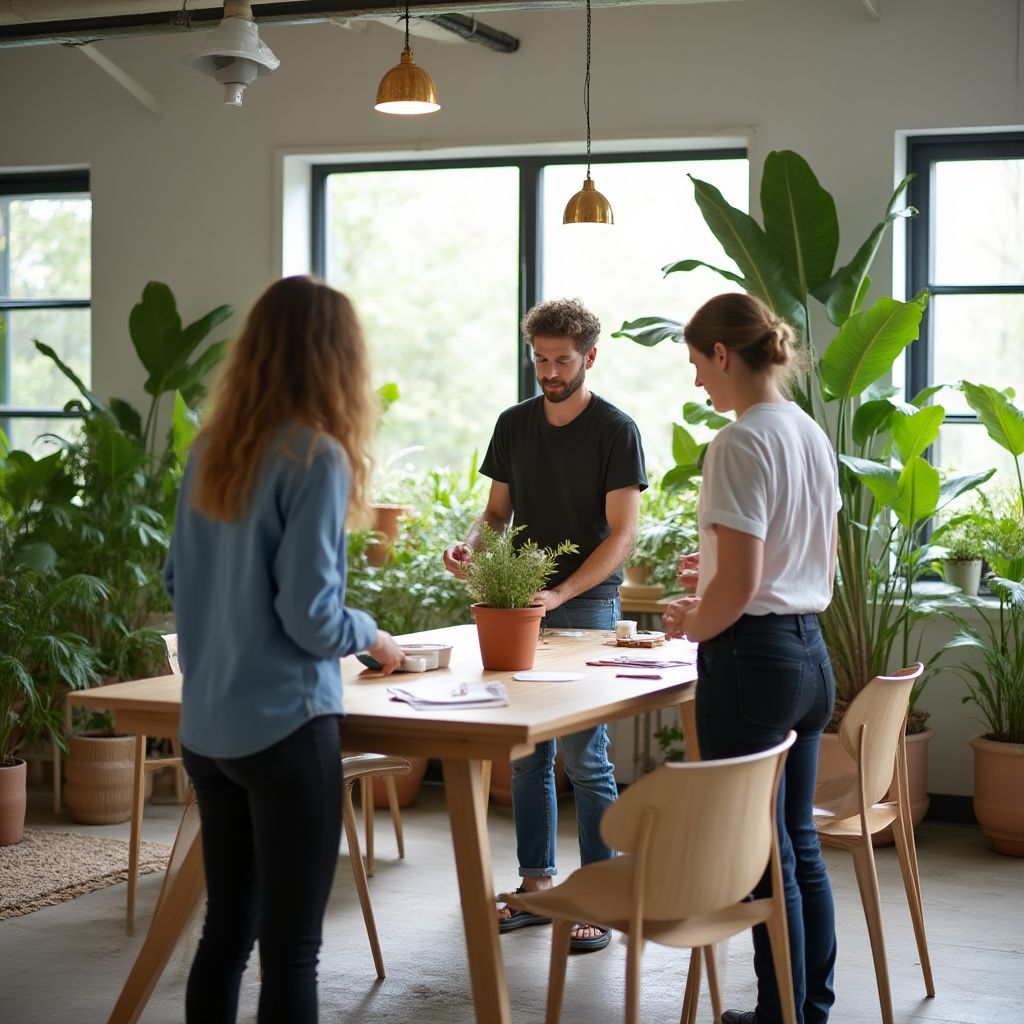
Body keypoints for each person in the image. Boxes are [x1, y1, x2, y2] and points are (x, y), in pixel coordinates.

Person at [162, 276, 404, 1024]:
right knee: (292, 950)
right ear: (338, 359)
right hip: (285, 728)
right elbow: (310, 616)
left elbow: (176, 577)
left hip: (208, 730)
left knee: (226, 932)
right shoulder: (317, 456)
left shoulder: (211, 450)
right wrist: (371, 636)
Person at [442, 297, 647, 953]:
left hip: (585, 608)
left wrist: (561, 593)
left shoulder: (616, 430)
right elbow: (496, 513)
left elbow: (622, 537)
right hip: (517, 606)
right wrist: (471, 546)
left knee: (588, 757)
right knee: (527, 755)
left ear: (590, 356)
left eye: (562, 360)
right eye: (540, 359)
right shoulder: (514, 424)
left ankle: (598, 895)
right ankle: (535, 887)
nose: (550, 371)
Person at [662, 292, 839, 1024]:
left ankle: (779, 1016)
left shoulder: (737, 443)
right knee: (797, 844)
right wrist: (710, 579)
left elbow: (737, 588)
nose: (698, 382)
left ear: (723, 355)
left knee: (765, 857)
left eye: (698, 365)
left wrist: (691, 620)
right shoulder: (807, 432)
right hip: (808, 657)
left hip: (753, 665)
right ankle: (807, 1009)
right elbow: (805, 557)